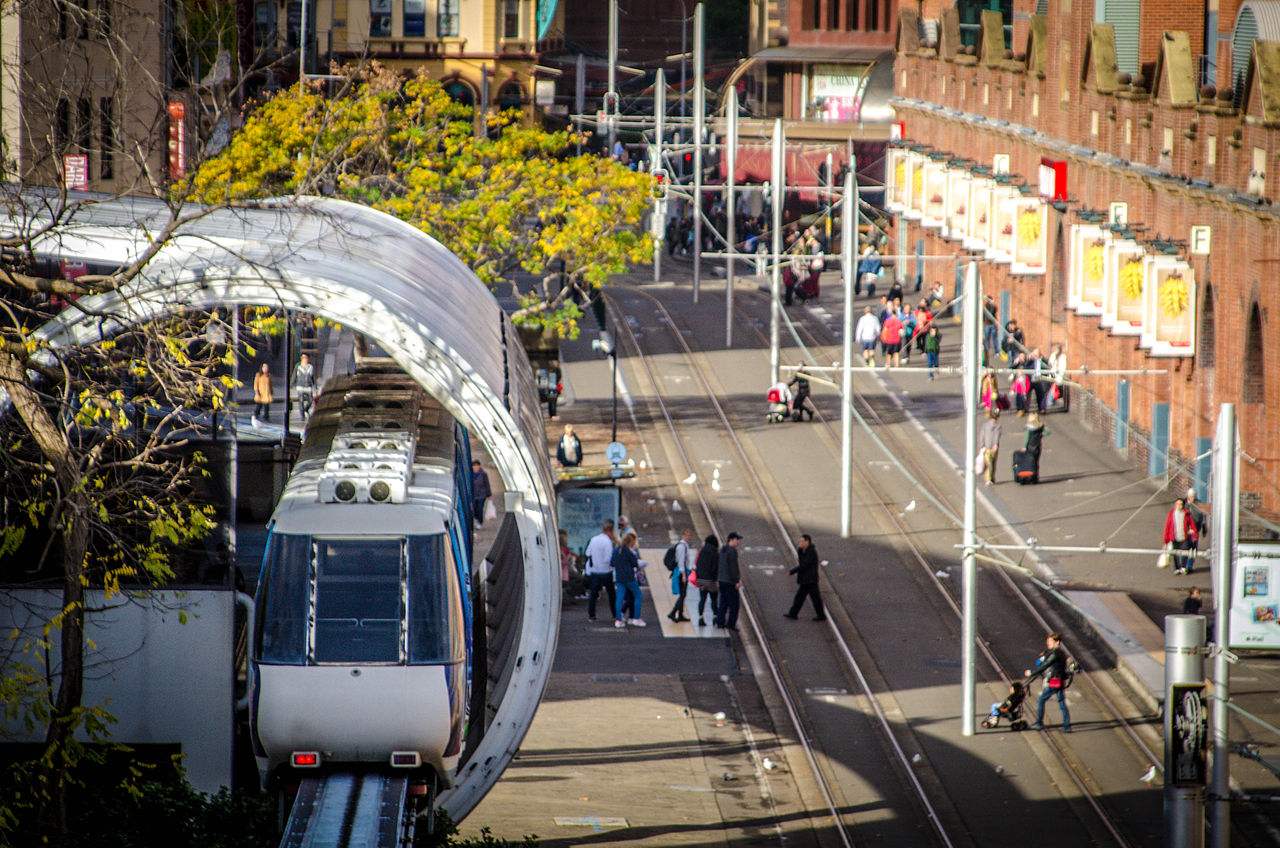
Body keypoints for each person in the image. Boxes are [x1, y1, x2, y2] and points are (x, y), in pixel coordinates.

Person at [1025, 632, 1072, 732]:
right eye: (1048, 641)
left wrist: (1032, 673)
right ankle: (1067, 726)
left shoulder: (1055, 654)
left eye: (1050, 641)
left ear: (1057, 642)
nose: (1048, 643)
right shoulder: (1061, 653)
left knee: (1041, 700)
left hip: (1054, 681)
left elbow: (1045, 665)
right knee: (1062, 702)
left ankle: (1039, 723)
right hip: (1060, 680)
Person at [783, 534, 825, 621]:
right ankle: (793, 613)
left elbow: (804, 564)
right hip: (806, 580)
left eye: (802, 541)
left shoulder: (811, 552)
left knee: (814, 598)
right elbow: (801, 561)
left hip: (810, 580)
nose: (800, 543)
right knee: (801, 597)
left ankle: (820, 615)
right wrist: (800, 550)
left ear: (807, 542)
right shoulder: (804, 550)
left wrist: (792, 571)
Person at [583, 520, 618, 622]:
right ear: (610, 531)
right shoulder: (607, 542)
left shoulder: (594, 539)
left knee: (593, 594)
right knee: (611, 594)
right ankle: (615, 614)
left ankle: (591, 615)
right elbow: (608, 558)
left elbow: (587, 553)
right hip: (606, 571)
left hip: (594, 571)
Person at [612, 531, 646, 628]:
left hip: (619, 577)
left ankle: (618, 620)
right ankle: (636, 618)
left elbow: (612, 562)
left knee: (619, 598)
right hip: (629, 577)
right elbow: (635, 563)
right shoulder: (628, 551)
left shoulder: (617, 550)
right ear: (630, 542)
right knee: (638, 595)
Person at [714, 532, 743, 630]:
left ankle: (720, 621)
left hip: (722, 580)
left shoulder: (723, 550)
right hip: (730, 581)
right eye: (737, 539)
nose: (738, 541)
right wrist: (736, 581)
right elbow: (733, 568)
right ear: (732, 539)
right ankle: (731, 624)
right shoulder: (732, 551)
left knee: (723, 602)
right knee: (734, 604)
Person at [1164, 497, 1199, 575]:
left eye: (1180, 504)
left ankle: (1183, 567)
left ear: (1183, 505)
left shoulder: (1186, 513)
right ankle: (1177, 568)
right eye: (1177, 504)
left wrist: (1194, 536)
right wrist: (1166, 540)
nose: (1178, 506)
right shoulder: (1171, 514)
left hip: (1184, 537)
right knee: (1175, 553)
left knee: (1185, 552)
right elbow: (1167, 526)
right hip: (1174, 537)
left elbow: (1192, 525)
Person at [667, 528, 694, 622]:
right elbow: (681, 562)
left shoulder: (685, 546)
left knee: (683, 594)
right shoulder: (681, 547)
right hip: (681, 572)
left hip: (684, 571)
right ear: (683, 535)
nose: (688, 537)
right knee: (683, 594)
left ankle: (680, 614)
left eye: (690, 535)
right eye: (687, 535)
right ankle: (673, 612)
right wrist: (683, 575)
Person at [694, 534, 720, 626]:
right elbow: (715, 568)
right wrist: (716, 579)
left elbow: (698, 564)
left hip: (701, 579)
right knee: (714, 599)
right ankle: (715, 617)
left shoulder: (701, 551)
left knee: (702, 599)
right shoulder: (715, 554)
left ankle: (701, 617)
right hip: (711, 580)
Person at [560, 529, 585, 600]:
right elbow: (563, 562)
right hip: (564, 573)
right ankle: (573, 593)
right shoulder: (561, 551)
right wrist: (568, 558)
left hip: (566, 571)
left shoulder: (564, 549)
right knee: (579, 578)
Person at [979, 408, 1002, 486]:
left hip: (986, 447)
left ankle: (988, 479)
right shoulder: (998, 426)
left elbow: (981, 436)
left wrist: (981, 446)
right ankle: (992, 477)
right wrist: (996, 444)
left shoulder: (985, 426)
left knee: (988, 464)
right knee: (993, 463)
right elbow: (997, 436)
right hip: (994, 448)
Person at [292, 354, 316, 419]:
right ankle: (302, 415)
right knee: (301, 400)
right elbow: (294, 376)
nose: (305, 359)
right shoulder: (298, 366)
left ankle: (306, 409)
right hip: (300, 386)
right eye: (303, 358)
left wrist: (315, 387)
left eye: (306, 358)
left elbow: (313, 377)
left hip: (308, 386)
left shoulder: (310, 367)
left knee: (310, 400)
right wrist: (291, 385)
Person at [1047, 344, 1069, 412]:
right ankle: (1050, 400)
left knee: (1057, 387)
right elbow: (1050, 363)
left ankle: (1055, 399)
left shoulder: (1063, 356)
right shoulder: (1053, 355)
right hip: (1053, 373)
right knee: (1052, 387)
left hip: (1059, 374)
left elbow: (1063, 366)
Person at [470, 460, 492, 526]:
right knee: (475, 509)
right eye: (474, 466)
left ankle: (480, 522)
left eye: (477, 466)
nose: (476, 467)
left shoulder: (483, 474)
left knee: (480, 508)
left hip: (482, 495)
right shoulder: (470, 475)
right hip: (473, 495)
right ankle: (476, 519)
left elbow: (487, 484)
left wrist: (489, 494)